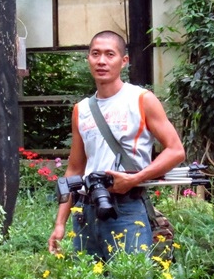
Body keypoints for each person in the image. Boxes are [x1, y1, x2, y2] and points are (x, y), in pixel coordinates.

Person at [48, 31, 185, 261]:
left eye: (110, 54)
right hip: (85, 212)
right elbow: (74, 169)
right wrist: (60, 223)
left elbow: (176, 150)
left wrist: (135, 179)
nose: (101, 61)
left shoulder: (141, 99)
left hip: (127, 208)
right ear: (88, 59)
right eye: (95, 54)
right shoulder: (81, 109)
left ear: (123, 61)